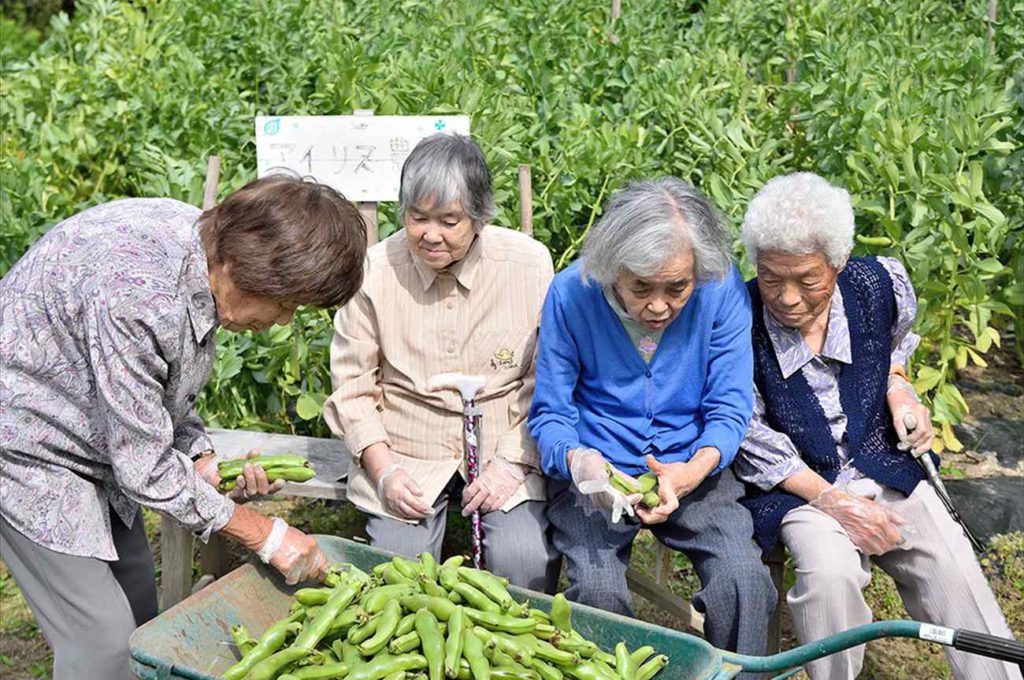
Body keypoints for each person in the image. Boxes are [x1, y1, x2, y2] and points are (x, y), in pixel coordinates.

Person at [0, 174, 367, 680]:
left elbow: (153, 392)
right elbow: (145, 468)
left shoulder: (205, 250)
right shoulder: (138, 291)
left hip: (97, 433)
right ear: (243, 267)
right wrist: (265, 534)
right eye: (285, 303)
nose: (282, 321)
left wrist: (198, 457)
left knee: (137, 602)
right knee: (102, 640)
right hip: (26, 443)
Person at [735, 171, 1021, 680]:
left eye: (808, 279)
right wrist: (835, 503)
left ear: (838, 264)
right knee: (830, 576)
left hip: (881, 459)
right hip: (800, 486)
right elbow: (748, 432)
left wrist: (899, 388)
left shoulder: (876, 286)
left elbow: (895, 350)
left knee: (954, 567)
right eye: (772, 277)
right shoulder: (738, 318)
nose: (788, 297)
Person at [528, 177, 775, 671]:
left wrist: (695, 468)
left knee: (743, 578)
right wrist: (578, 460)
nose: (659, 306)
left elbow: (730, 408)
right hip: (598, 473)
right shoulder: (572, 294)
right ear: (610, 269)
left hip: (692, 462)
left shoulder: (719, 288)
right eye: (641, 288)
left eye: (677, 288)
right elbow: (551, 414)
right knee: (595, 589)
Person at [324, 134, 559, 592]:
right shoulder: (373, 270)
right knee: (399, 571)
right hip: (406, 445)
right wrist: (384, 469)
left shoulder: (529, 266)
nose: (431, 235)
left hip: (502, 441)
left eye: (449, 220)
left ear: (480, 216)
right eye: (418, 218)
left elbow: (548, 379)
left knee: (524, 559)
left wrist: (514, 462)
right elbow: (351, 386)